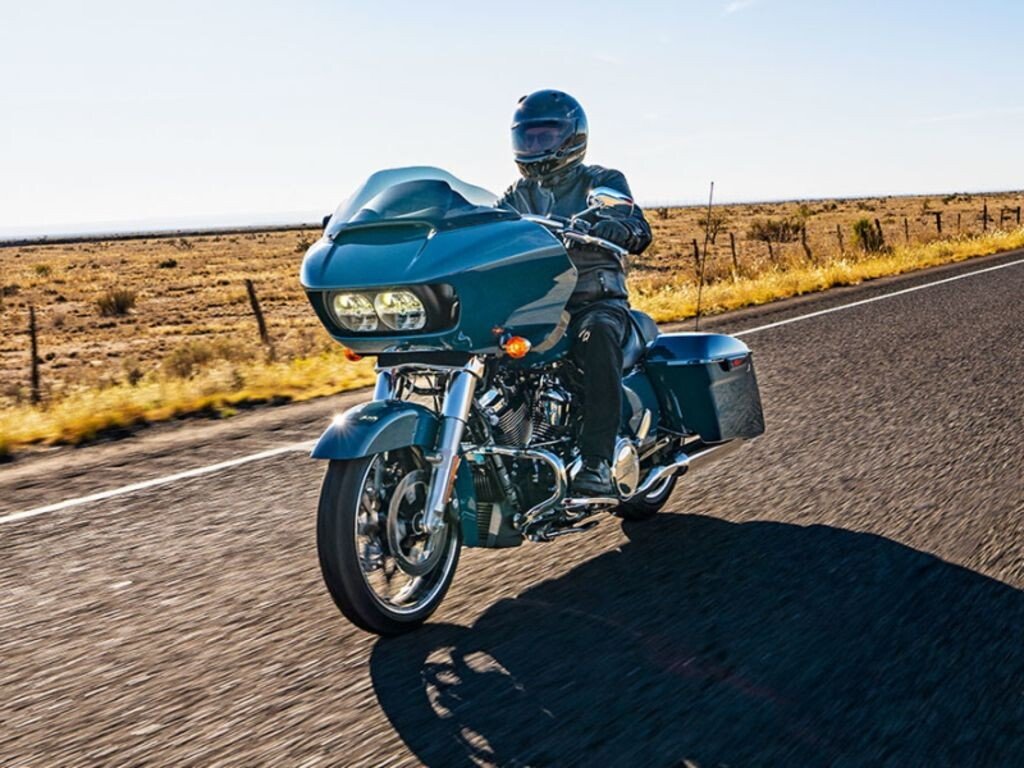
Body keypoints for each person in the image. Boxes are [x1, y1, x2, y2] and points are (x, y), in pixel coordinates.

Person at [496, 89, 653, 496]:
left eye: (545, 136)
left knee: (596, 337)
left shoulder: (601, 181)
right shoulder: (515, 195)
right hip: (537, 307)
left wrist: (616, 226)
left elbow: (636, 226)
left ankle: (597, 461)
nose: (535, 146)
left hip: (594, 301)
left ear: (572, 137)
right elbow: (490, 229)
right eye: (528, 137)